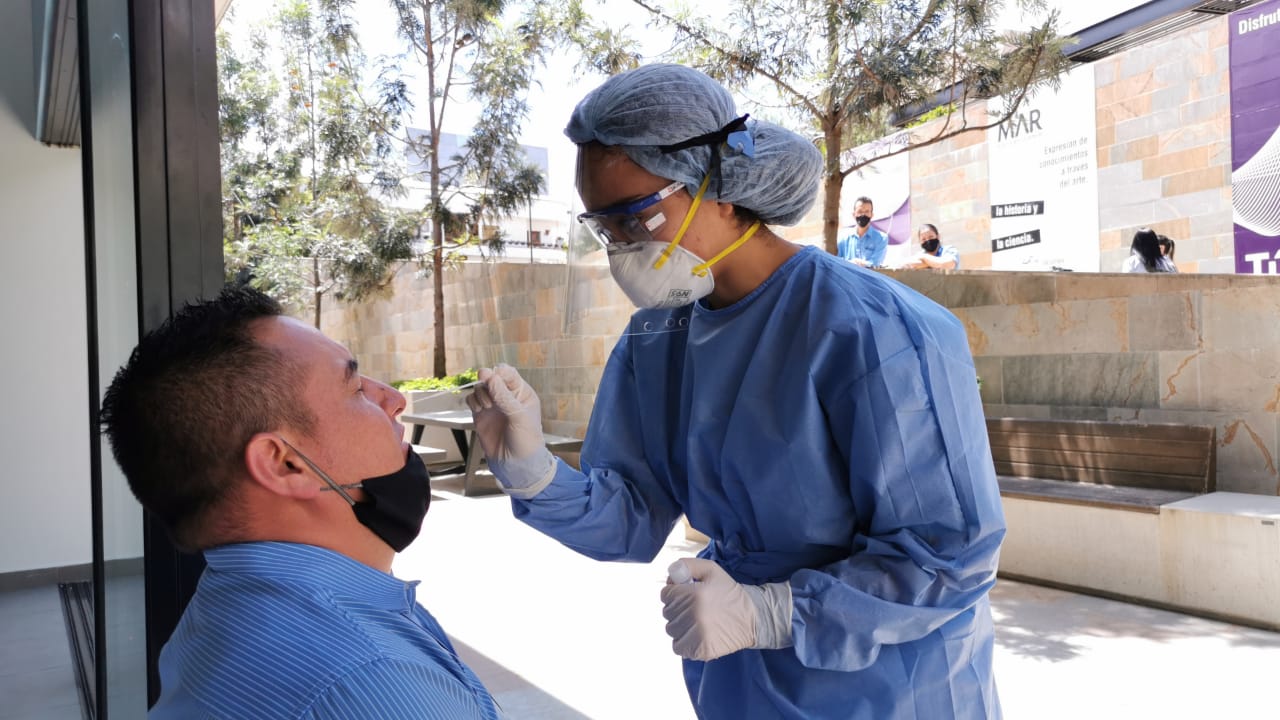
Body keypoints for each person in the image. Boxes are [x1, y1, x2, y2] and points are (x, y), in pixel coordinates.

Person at [467, 64, 1004, 719]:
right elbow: (634, 519)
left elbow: (948, 558)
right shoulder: (656, 340)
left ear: (718, 187)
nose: (621, 245)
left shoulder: (874, 328)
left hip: (888, 686)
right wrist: (533, 473)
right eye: (604, 228)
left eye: (637, 216)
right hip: (739, 682)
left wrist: (770, 611)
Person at [99, 286, 499, 720]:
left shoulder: (221, 609)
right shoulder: (374, 682)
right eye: (355, 389)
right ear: (284, 463)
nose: (394, 399)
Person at [835, 195, 888, 267]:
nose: (863, 215)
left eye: (867, 212)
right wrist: (853, 263)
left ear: (872, 215)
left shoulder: (881, 238)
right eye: (860, 211)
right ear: (854, 214)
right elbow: (837, 261)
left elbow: (876, 263)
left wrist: (859, 263)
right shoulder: (843, 238)